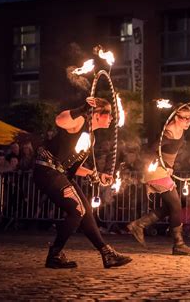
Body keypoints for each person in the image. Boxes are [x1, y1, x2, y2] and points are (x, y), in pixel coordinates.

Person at [33, 97, 132, 269]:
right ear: (97, 114)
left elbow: (73, 168)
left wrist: (96, 175)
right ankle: (55, 253)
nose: (111, 119)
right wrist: (83, 108)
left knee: (85, 211)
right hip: (47, 171)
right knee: (77, 209)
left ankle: (106, 253)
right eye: (108, 114)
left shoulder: (91, 138)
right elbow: (59, 119)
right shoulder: (79, 121)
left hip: (60, 173)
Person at [127, 104, 190, 256]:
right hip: (156, 169)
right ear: (175, 117)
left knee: (172, 206)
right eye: (184, 118)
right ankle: (178, 244)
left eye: (189, 117)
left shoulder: (185, 122)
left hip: (163, 170)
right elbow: (150, 150)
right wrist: (164, 164)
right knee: (176, 204)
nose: (188, 121)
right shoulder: (168, 133)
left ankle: (139, 224)